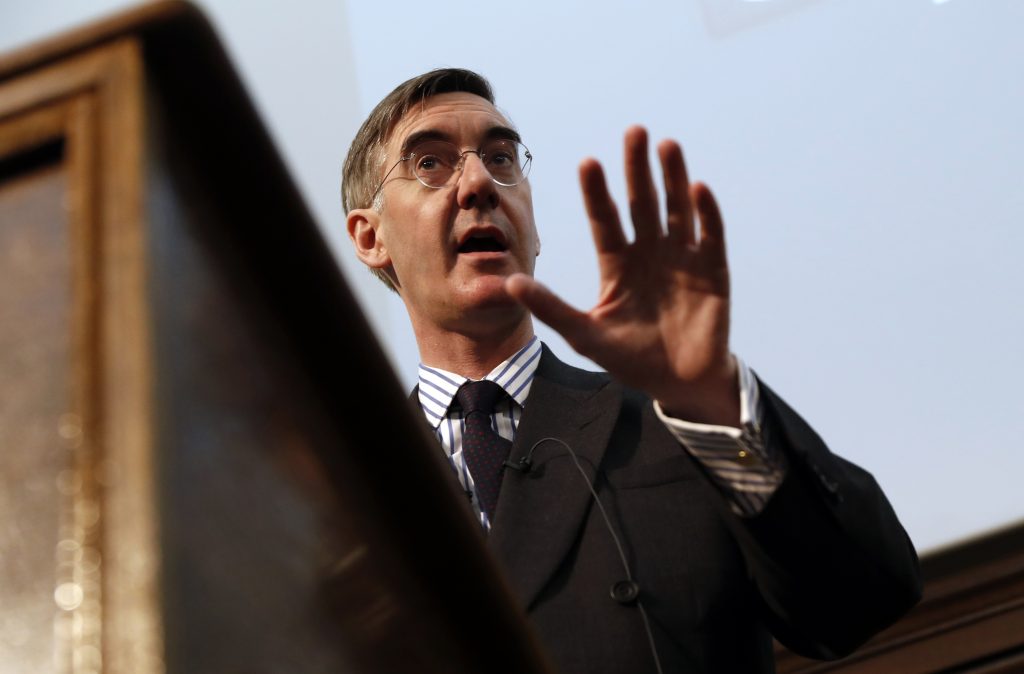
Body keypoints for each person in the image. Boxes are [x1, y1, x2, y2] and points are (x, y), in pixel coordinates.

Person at [342, 68, 920, 674]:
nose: (480, 182)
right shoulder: (346, 496)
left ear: (534, 228)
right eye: (430, 163)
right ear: (370, 236)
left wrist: (715, 401)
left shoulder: (680, 426)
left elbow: (860, 599)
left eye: (502, 157)